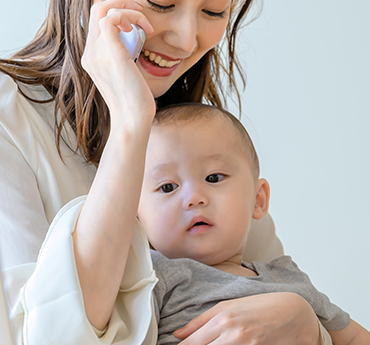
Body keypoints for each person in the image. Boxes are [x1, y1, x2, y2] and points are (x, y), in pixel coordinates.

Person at [0, 0, 333, 343]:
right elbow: (46, 337)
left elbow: (268, 290)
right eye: (160, 2)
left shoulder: (198, 136)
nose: (186, 38)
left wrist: (306, 323)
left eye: (214, 10)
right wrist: (129, 124)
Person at [135, 103, 370, 344]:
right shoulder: (149, 278)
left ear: (258, 200)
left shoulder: (287, 278)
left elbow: (354, 338)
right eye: (167, 187)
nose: (194, 198)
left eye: (213, 178)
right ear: (138, 217)